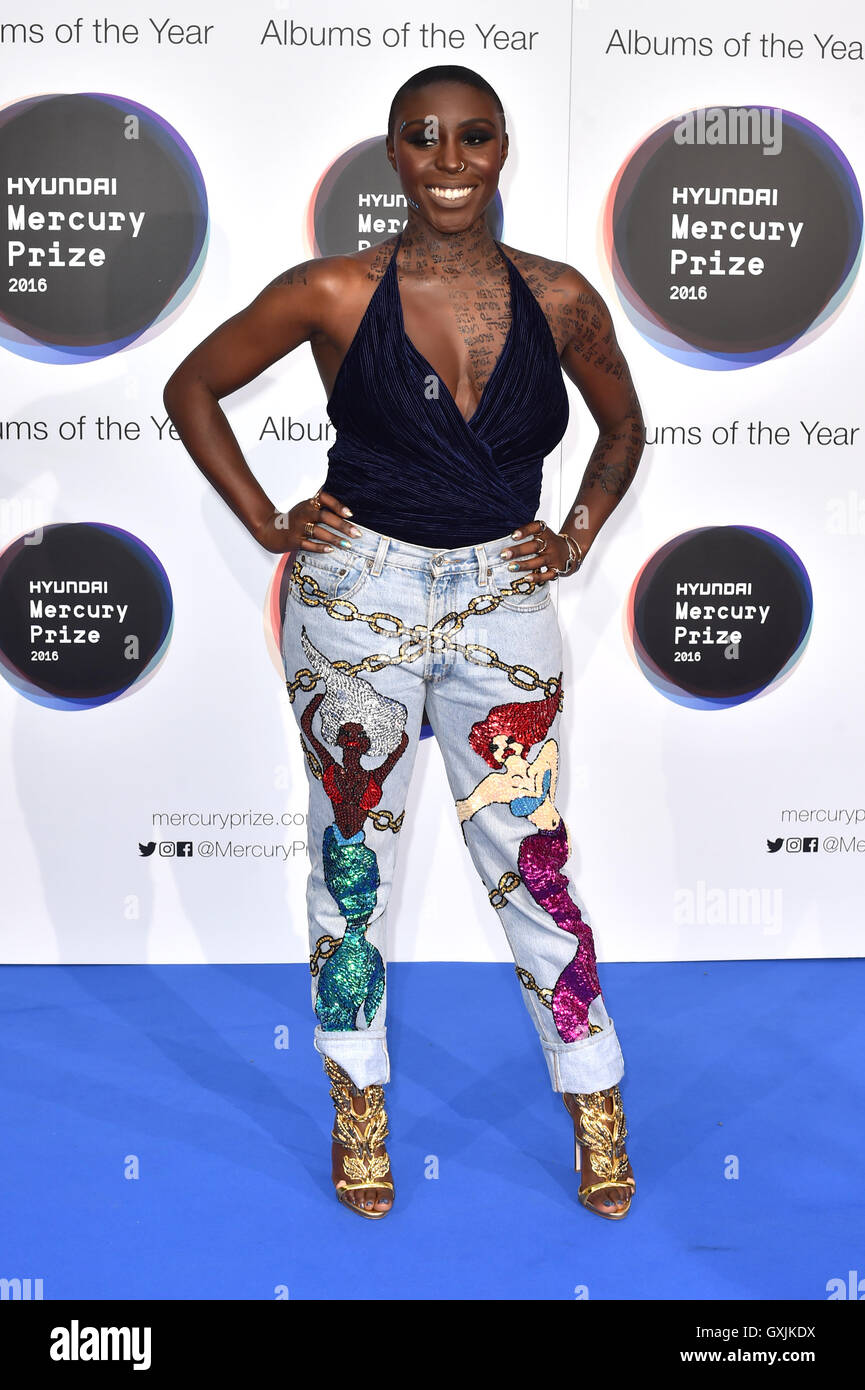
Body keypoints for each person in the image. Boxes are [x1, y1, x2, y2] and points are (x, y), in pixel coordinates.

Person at [163, 63, 646, 1222]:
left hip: (503, 604)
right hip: (353, 604)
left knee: (533, 870)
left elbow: (624, 423)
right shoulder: (332, 289)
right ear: (392, 153)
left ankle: (595, 1101)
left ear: (502, 150)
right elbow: (192, 386)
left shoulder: (562, 297)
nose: (447, 160)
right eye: (421, 138)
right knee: (354, 872)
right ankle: (358, 1104)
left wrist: (575, 531)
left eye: (471, 137)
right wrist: (269, 521)